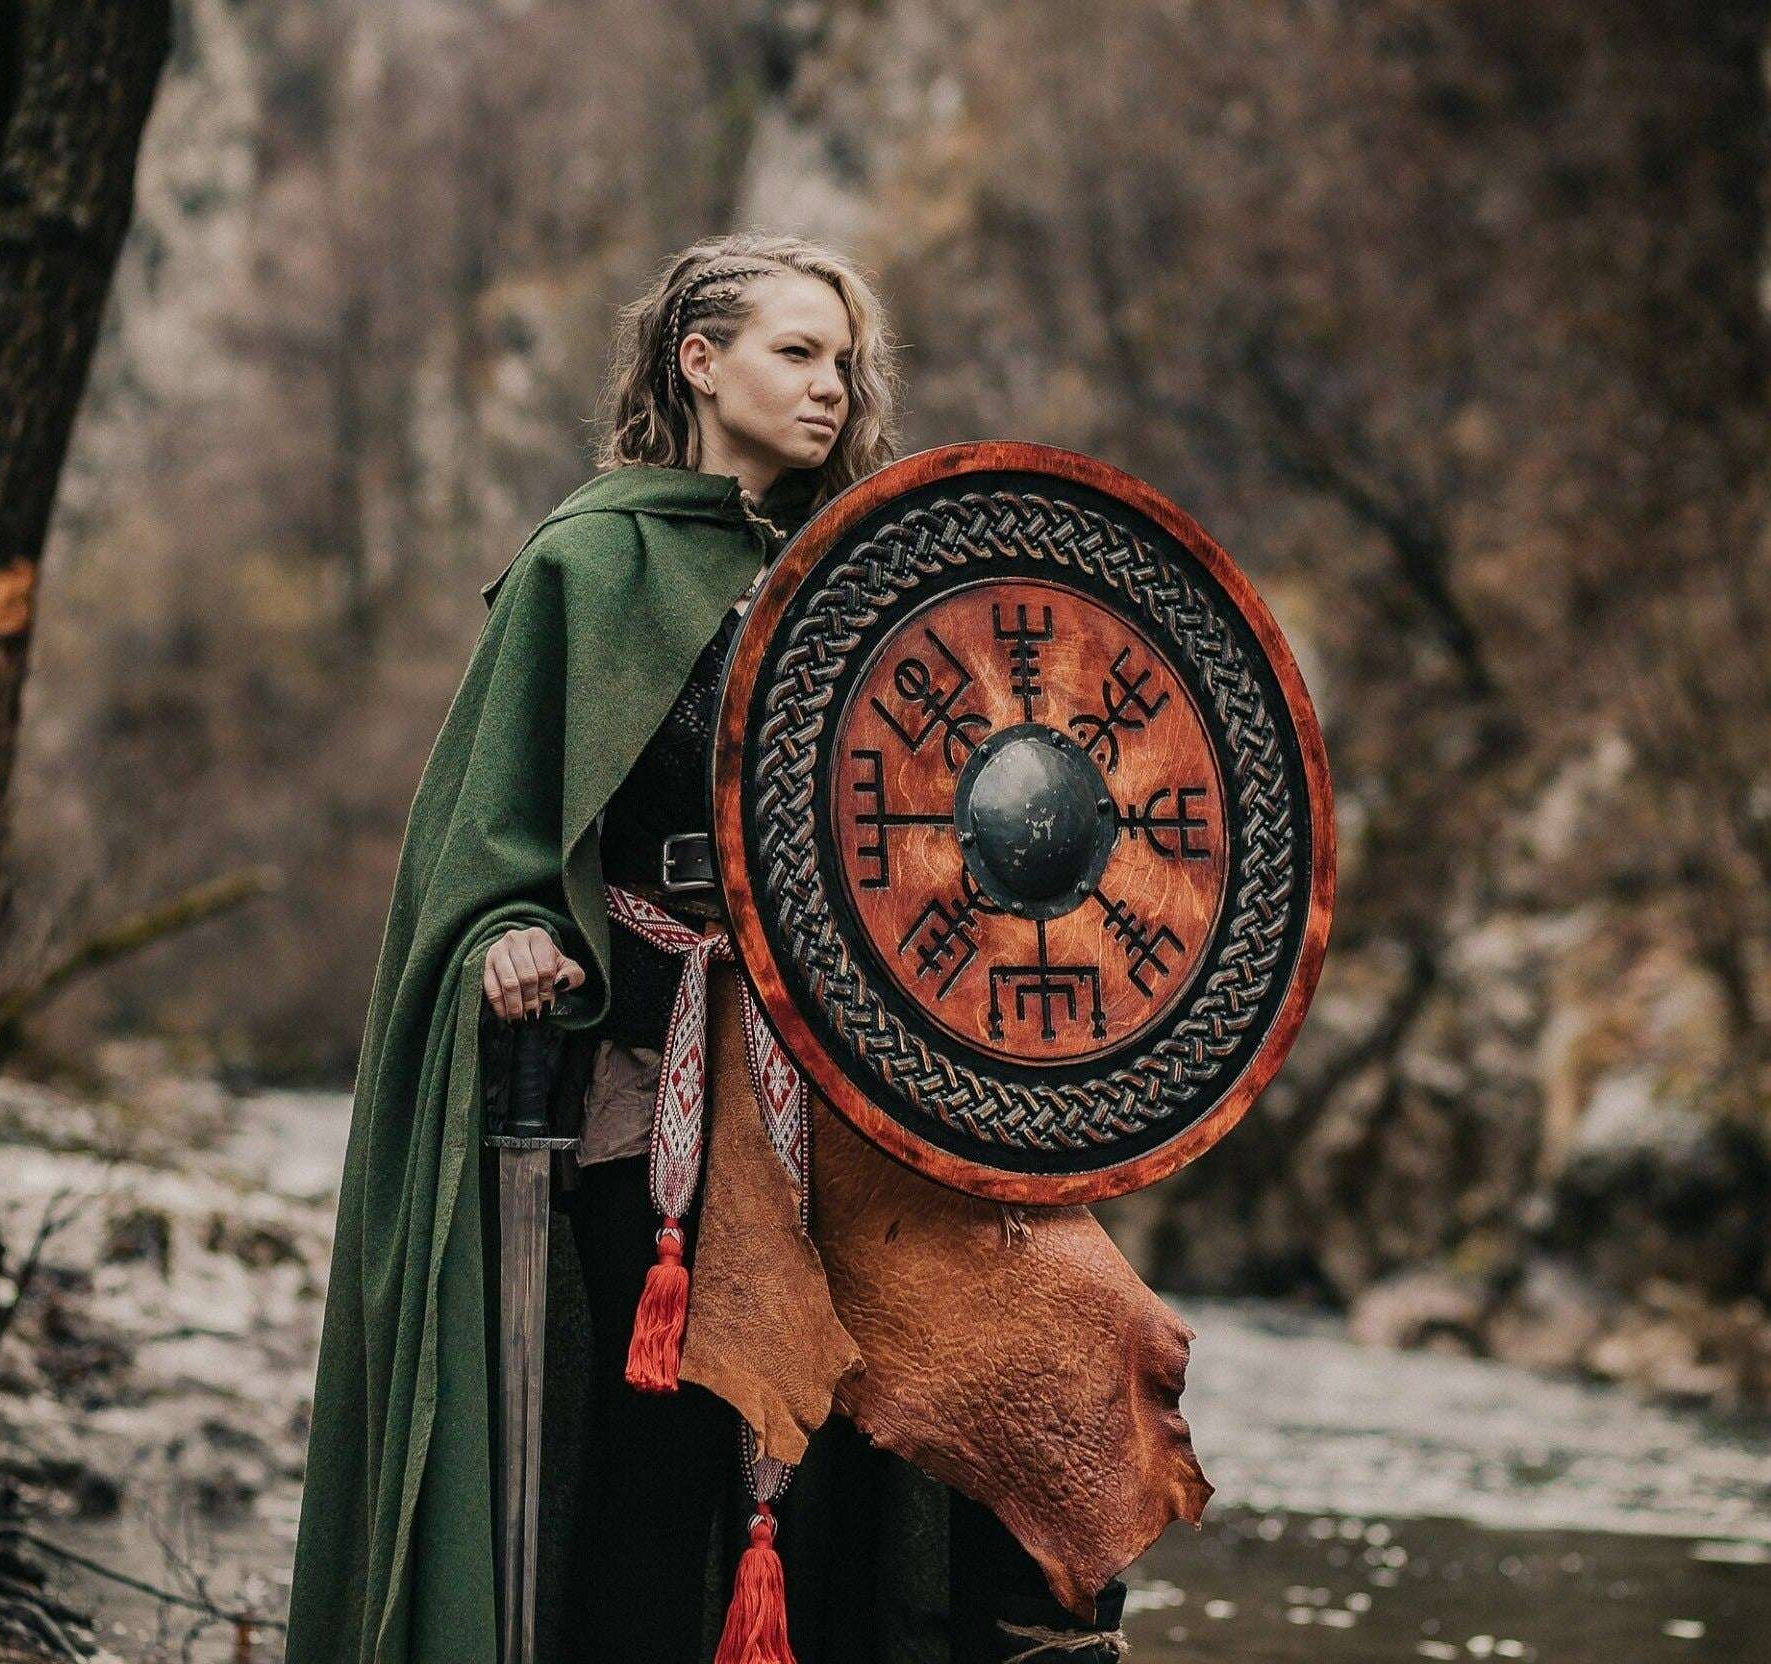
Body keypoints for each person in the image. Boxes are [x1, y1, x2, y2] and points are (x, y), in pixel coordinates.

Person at [284, 232, 1210, 1664]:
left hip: (857, 1081)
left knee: (1056, 1351)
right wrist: (516, 929)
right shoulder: (590, 567)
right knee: (671, 1453)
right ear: (698, 362)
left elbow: (945, 826)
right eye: (797, 352)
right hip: (655, 1064)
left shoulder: (869, 575)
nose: (832, 385)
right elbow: (498, 837)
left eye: (846, 360)